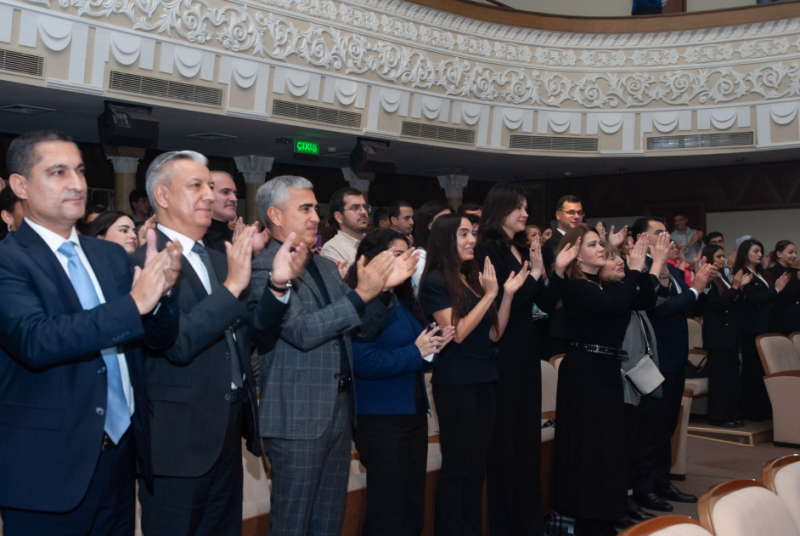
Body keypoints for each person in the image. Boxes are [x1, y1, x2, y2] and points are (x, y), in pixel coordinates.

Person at [0, 130, 181, 535]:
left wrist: (162, 296)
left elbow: (154, 339)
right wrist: (135, 303)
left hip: (119, 459)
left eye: (80, 171)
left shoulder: (109, 256)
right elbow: (36, 340)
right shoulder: (8, 261)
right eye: (59, 172)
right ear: (20, 185)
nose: (78, 183)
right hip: (47, 469)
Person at [249, 175, 417, 536]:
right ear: (275, 216)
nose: (315, 216)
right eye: (305, 208)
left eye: (315, 207)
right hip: (297, 417)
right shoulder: (264, 266)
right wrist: (360, 295)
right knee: (292, 526)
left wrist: (383, 291)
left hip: (338, 412)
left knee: (328, 523)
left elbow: (359, 329)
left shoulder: (323, 266)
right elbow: (301, 332)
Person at [131, 151, 287, 536]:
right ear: (162, 196)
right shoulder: (142, 263)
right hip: (178, 441)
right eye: (197, 186)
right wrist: (234, 286)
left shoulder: (219, 260)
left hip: (227, 430)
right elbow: (177, 345)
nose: (210, 195)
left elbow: (255, 335)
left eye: (212, 186)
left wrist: (278, 286)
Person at [419, 213, 529, 536]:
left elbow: (495, 334)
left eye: (472, 233)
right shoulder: (435, 282)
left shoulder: (473, 277)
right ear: (445, 239)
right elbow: (459, 331)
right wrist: (491, 296)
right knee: (457, 467)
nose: (471, 240)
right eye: (463, 234)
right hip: (455, 381)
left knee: (477, 467)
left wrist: (506, 294)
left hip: (484, 377)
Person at [475, 183, 569, 536]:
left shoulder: (518, 251)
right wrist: (536, 274)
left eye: (527, 208)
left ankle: (529, 523)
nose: (526, 214)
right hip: (503, 357)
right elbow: (503, 303)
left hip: (526, 353)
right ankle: (507, 525)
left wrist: (555, 273)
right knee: (506, 448)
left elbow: (537, 309)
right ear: (500, 210)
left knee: (527, 446)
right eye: (520, 208)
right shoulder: (487, 251)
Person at [348, 229, 455, 536]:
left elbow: (418, 354)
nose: (406, 261)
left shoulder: (403, 301)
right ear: (370, 260)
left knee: (412, 507)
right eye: (397, 254)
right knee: (388, 513)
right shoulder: (363, 302)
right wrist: (415, 352)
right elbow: (363, 363)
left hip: (412, 415)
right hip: (381, 420)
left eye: (408, 254)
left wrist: (434, 346)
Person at [551, 226, 651, 536]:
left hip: (604, 370)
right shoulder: (576, 286)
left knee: (607, 449)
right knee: (592, 451)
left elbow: (643, 298)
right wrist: (633, 269)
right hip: (584, 372)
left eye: (601, 244)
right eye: (592, 244)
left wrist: (646, 268)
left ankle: (602, 518)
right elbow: (615, 307)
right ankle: (589, 522)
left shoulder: (603, 285)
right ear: (576, 256)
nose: (600, 249)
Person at [628, 216, 714, 513]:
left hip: (676, 359)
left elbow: (692, 306)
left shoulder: (674, 271)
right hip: (654, 359)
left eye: (667, 230)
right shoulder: (640, 267)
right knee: (650, 429)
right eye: (659, 231)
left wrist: (703, 286)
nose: (667, 235)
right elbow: (657, 311)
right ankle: (644, 487)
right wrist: (694, 290)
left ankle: (662, 481)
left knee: (666, 426)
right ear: (643, 238)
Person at [598, 236, 668, 528]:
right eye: (612, 259)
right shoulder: (606, 294)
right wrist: (647, 268)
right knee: (622, 445)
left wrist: (658, 264)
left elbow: (653, 298)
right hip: (617, 378)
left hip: (635, 375)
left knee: (636, 440)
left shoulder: (624, 289)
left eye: (621, 259)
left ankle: (632, 495)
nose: (619, 263)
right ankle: (622, 500)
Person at [732, 239, 790, 422]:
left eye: (761, 251)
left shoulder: (760, 273)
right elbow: (753, 299)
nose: (760, 254)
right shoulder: (741, 272)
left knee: (762, 370)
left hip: (764, 325)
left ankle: (762, 408)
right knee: (752, 369)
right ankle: (749, 410)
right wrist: (777, 290)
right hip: (750, 327)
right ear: (745, 253)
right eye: (756, 251)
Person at [699, 244, 748, 428]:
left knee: (731, 376)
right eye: (718, 256)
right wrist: (735, 287)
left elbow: (733, 301)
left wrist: (739, 288)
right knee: (720, 379)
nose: (722, 259)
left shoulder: (721, 276)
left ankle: (731, 413)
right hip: (718, 336)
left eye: (722, 256)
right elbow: (719, 306)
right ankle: (719, 416)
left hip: (730, 334)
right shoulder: (708, 278)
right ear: (709, 258)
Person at [410, 200, 453, 292]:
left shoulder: (448, 252)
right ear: (429, 225)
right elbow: (430, 290)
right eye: (444, 219)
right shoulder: (419, 257)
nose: (450, 223)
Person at [320, 187, 369, 266]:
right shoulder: (332, 249)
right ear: (339, 217)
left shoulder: (375, 241)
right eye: (355, 208)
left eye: (365, 207)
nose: (363, 212)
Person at [542, 195, 584, 275]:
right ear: (558, 215)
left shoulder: (584, 240)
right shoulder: (552, 244)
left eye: (579, 212)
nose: (577, 216)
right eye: (571, 212)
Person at [768, 241, 800, 336]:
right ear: (779, 254)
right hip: (781, 321)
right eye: (790, 252)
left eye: (795, 253)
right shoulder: (771, 273)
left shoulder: (796, 272)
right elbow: (782, 296)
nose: (794, 255)